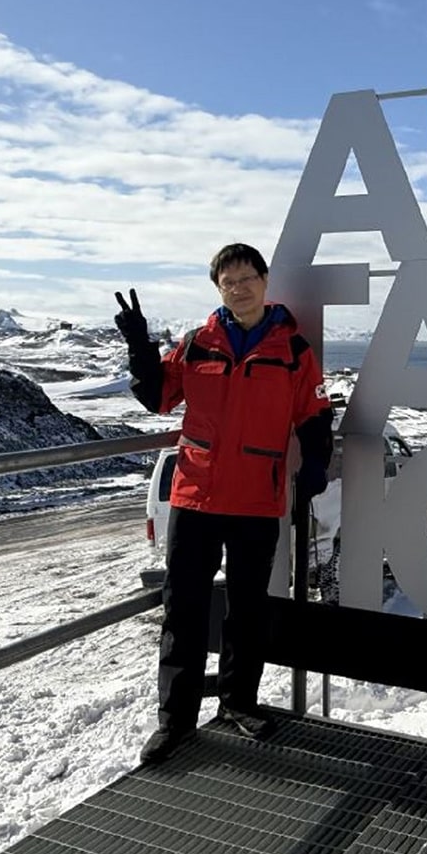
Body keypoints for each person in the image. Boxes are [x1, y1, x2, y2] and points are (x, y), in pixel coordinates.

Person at [113, 243, 334, 764]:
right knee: (183, 610)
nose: (238, 288)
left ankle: (239, 701)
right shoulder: (197, 344)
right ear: (219, 289)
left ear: (264, 280)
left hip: (257, 499)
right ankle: (176, 719)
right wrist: (141, 347)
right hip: (195, 497)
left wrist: (317, 464)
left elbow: (315, 412)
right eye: (227, 281)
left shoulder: (293, 350)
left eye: (246, 277)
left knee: (247, 609)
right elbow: (157, 396)